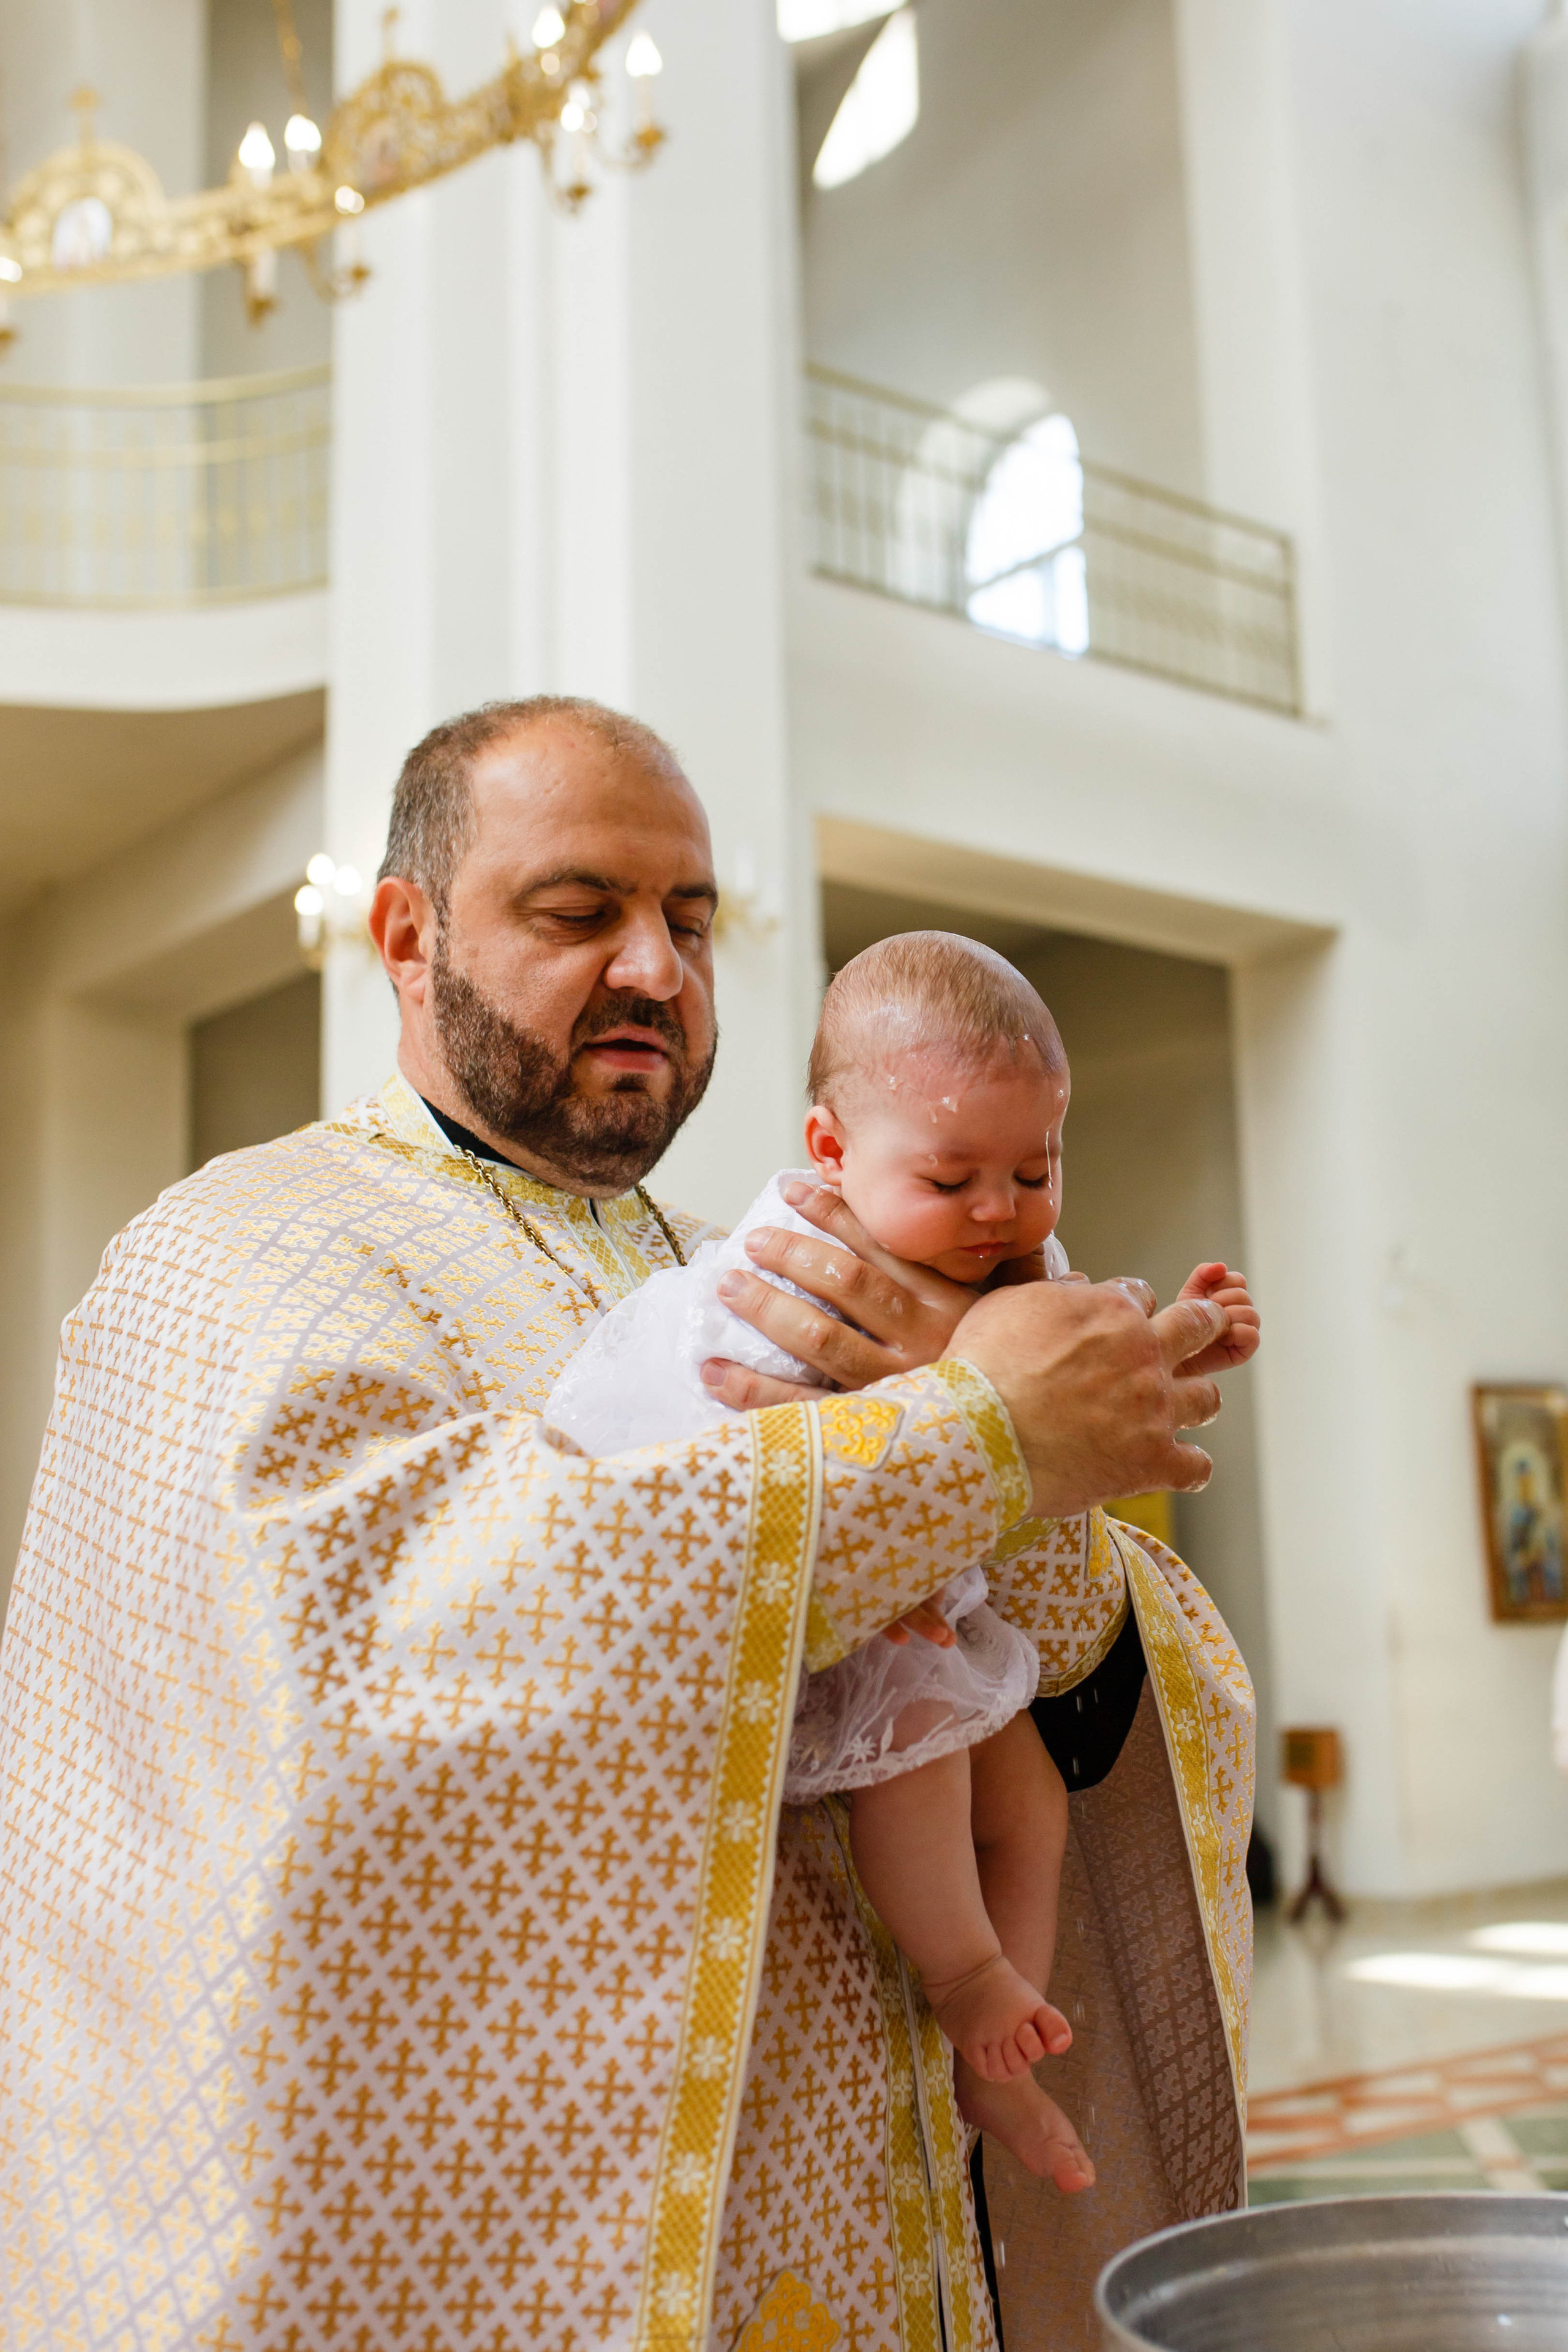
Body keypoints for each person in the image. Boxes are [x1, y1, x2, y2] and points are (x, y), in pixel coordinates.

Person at [0, 695, 1255, 2352]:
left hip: (886, 2209)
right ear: (404, 934)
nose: (658, 967)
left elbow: (1067, 1651)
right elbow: (384, 1669)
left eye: (691, 918)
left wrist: (1049, 1486)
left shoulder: (756, 1256)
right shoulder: (235, 1253)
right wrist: (967, 1435)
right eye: (580, 912)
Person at [546, 929, 1259, 2204]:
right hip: (856, 1606)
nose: (996, 1212)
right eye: (953, 1178)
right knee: (924, 1765)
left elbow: (1074, 1375)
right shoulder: (785, 1254)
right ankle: (962, 1970)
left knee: (1028, 1797)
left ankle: (1001, 2031)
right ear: (831, 1151)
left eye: (1033, 1170)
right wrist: (914, 1512)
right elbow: (709, 1420)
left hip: (943, 1600)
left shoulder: (982, 1242)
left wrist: (1182, 1345)